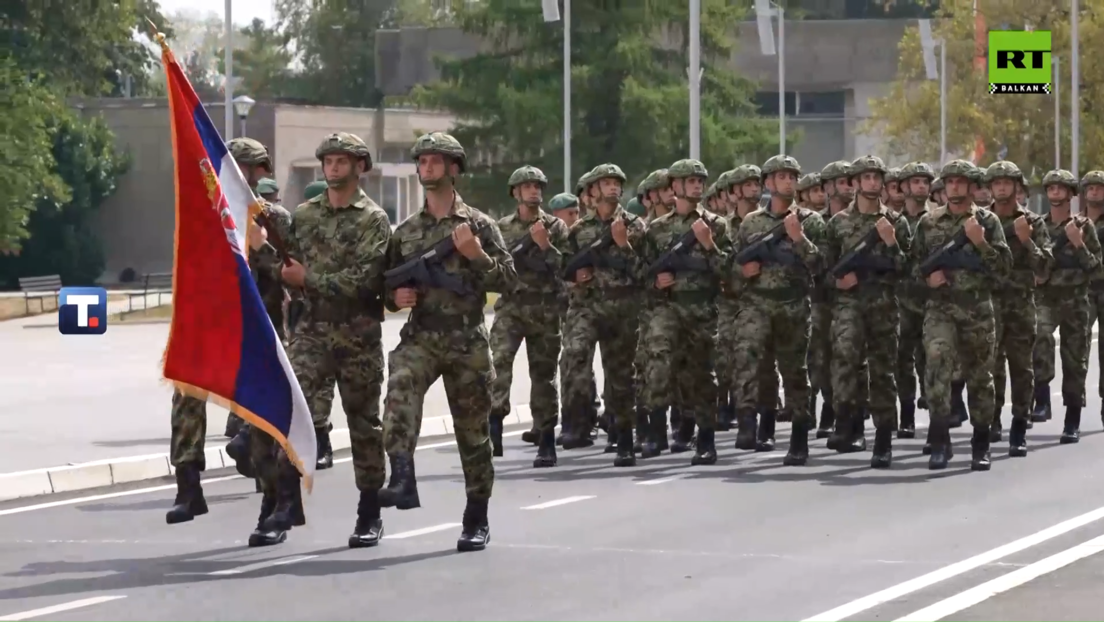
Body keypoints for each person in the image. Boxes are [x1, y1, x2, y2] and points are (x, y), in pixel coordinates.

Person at [381, 132, 516, 552]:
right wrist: (394, 298)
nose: (428, 167)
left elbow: (509, 281)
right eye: (422, 160)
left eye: (437, 160)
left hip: (466, 339)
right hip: (422, 333)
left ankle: (477, 515)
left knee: (473, 433)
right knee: (400, 383)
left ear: (454, 168)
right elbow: (386, 285)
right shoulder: (405, 232)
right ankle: (402, 475)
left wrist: (476, 254)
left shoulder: (478, 225)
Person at [911, 159, 1011, 470]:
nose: (954, 186)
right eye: (950, 182)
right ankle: (940, 440)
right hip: (940, 308)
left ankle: (980, 443)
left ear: (970, 186)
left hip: (977, 308)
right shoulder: (928, 223)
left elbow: (1004, 270)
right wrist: (927, 279)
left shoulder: (988, 222)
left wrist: (980, 242)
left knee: (981, 377)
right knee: (937, 367)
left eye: (960, 182)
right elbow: (912, 267)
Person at [728, 155, 826, 466]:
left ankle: (798, 438)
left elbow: (821, 266)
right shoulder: (752, 222)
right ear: (768, 183)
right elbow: (733, 266)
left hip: (794, 304)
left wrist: (799, 238)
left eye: (792, 176)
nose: (788, 181)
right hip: (756, 302)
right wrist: (743, 272)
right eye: (781, 176)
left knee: (794, 373)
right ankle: (747, 421)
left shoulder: (811, 221)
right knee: (747, 357)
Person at [822, 156, 911, 467]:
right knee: (845, 359)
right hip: (848, 305)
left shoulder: (896, 223)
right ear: (855, 183)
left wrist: (891, 244)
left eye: (877, 177)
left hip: (884, 305)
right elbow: (824, 269)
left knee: (883, 372)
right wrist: (838, 280)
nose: (872, 182)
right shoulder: (838, 223)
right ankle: (848, 420)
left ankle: (884, 438)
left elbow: (907, 269)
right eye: (866, 177)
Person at [639, 159, 730, 463]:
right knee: (658, 363)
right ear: (674, 187)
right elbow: (642, 274)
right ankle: (655, 432)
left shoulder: (716, 225)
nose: (697, 185)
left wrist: (709, 245)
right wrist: (657, 282)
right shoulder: (656, 229)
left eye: (700, 181)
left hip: (702, 307)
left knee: (702, 374)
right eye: (689, 181)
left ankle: (705, 439)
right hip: (667, 307)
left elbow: (731, 272)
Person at [558, 163, 647, 463]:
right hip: (586, 306)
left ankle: (623, 437)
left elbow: (645, 273)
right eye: (605, 182)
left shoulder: (635, 226)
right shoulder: (579, 231)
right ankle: (579, 420)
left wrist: (623, 245)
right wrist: (574, 278)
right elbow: (563, 269)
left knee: (621, 377)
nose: (611, 187)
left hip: (623, 308)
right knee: (574, 355)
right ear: (593, 191)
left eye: (616, 182)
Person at [488, 166, 569, 467]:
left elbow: (566, 268)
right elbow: (493, 268)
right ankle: (494, 423)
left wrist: (545, 246)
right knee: (498, 364)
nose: (534, 191)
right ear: (516, 193)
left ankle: (546, 438)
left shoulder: (555, 228)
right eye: (527, 186)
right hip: (511, 307)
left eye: (538, 186)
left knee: (544, 377)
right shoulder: (501, 228)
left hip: (545, 310)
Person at [985, 161, 1050, 456]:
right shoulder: (981, 222)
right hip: (988, 304)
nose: (1001, 187)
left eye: (1007, 182)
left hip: (1021, 304)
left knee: (1022, 369)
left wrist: (1026, 241)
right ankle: (992, 420)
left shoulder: (1033, 222)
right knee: (990, 367)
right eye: (996, 182)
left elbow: (1046, 266)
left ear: (1017, 188)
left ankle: (1019, 427)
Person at [1032, 169, 1102, 442]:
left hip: (1076, 300)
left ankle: (1072, 420)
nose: (1055, 193)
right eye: (1051, 189)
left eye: (1061, 189)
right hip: (1046, 298)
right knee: (1040, 335)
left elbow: (1096, 270)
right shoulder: (1038, 226)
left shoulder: (1085, 227)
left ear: (1072, 194)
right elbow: (1031, 262)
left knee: (1075, 361)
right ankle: (1042, 397)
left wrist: (1078, 244)